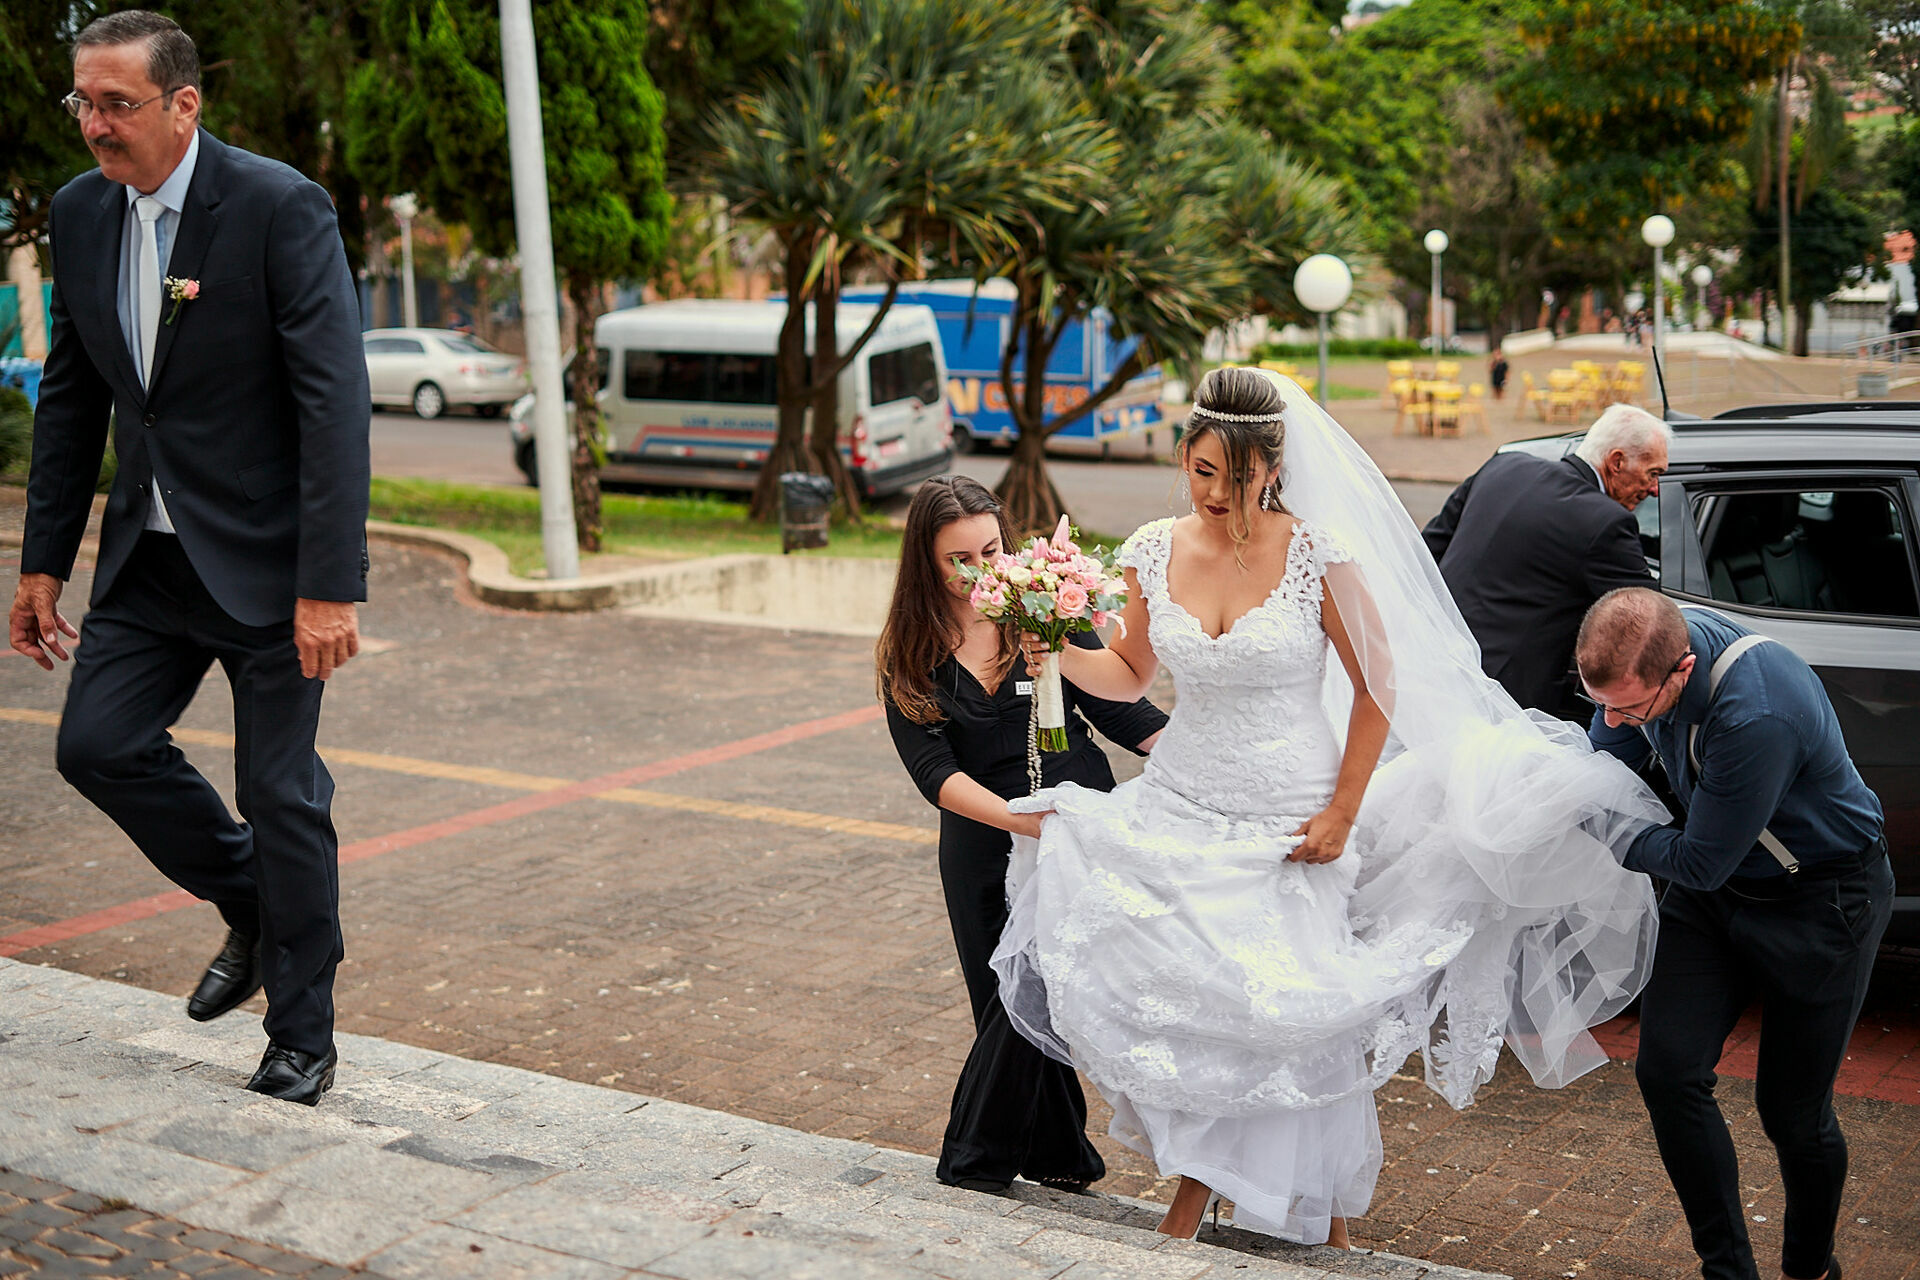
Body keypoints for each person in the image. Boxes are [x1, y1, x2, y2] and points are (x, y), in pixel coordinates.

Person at [991, 368, 1666, 1245]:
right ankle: (1307, 1214)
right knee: (1194, 991)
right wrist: (1054, 644)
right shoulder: (1152, 549)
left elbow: (1377, 688)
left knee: (1279, 1009)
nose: (1214, 496)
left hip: (1292, 808)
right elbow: (1130, 674)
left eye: (1234, 480)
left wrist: (1345, 811)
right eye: (1199, 473)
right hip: (1184, 794)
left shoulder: (1319, 552)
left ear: (1272, 469)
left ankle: (1224, 1207)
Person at [8, 12, 370, 1105]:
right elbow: (75, 395)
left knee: (281, 792)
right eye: (83, 100)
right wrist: (42, 562)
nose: (94, 124)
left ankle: (302, 1030)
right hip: (148, 563)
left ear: (183, 105)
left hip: (269, 569)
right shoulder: (78, 214)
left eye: (117, 103)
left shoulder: (274, 205)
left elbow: (332, 403)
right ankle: (256, 901)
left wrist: (326, 584)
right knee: (96, 745)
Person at [1576, 589, 1890, 1280]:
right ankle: (1728, 1273)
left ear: (1681, 671)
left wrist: (1603, 826)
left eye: (1628, 709)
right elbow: (1607, 752)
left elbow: (1698, 859)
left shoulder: (1756, 713)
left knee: (1793, 1114)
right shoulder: (1644, 659)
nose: (1610, 720)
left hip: (1823, 900)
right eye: (1600, 700)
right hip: (1716, 899)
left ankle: (1811, 1268)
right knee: (1668, 1072)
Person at [879, 476, 1167, 1193]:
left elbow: (1124, 714)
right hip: (982, 836)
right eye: (960, 559)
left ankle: (974, 1163)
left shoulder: (1043, 608)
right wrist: (1012, 819)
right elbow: (931, 770)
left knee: (1030, 989)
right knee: (1000, 1005)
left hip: (1072, 828)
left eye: (991, 549)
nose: (982, 570)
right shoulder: (909, 652)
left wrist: (1203, 755)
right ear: (925, 562)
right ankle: (1059, 1154)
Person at [1421, 404, 1667, 720]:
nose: (1655, 490)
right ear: (1616, 461)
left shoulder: (1504, 466)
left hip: (1429, 663)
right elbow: (1652, 620)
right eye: (1653, 473)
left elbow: (1428, 551)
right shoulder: (1606, 524)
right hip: (1503, 702)